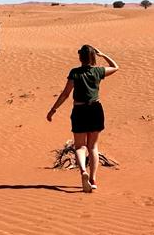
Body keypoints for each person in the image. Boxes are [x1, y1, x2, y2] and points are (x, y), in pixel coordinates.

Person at [46, 44, 119, 193]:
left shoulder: (75, 73)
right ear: (93, 57)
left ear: (80, 57)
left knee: (80, 146)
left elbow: (65, 94)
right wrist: (103, 54)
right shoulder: (98, 71)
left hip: (79, 110)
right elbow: (115, 67)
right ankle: (92, 179)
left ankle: (83, 173)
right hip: (95, 109)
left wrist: (53, 110)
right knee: (93, 147)